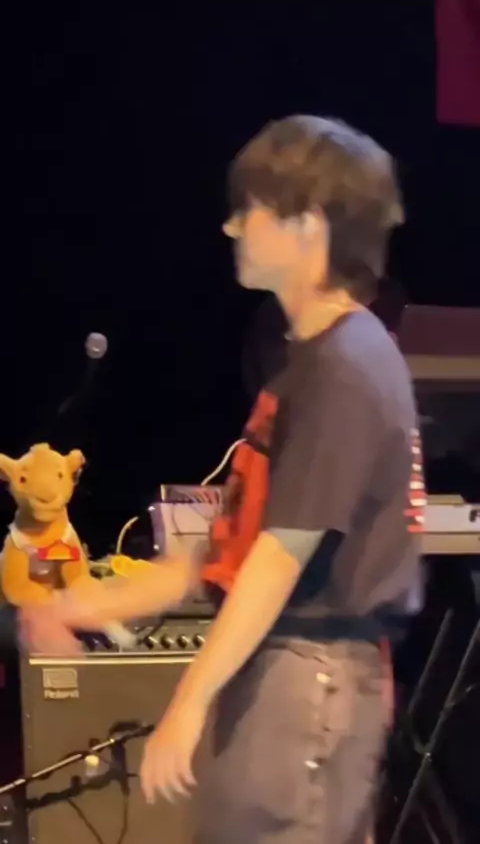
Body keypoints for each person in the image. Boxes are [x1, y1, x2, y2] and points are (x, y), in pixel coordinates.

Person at [20, 116, 425, 843]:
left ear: (308, 225)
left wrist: (187, 704)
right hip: (284, 678)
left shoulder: (345, 367)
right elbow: (217, 558)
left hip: (311, 678)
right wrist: (77, 603)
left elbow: (279, 558)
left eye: (253, 209)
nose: (232, 226)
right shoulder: (309, 367)